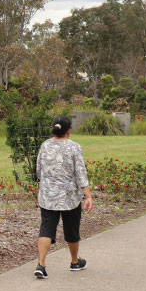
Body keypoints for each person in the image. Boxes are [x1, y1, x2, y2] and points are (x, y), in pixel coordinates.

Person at [34, 115, 94, 279]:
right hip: (69, 197)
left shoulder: (45, 145)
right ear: (69, 131)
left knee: (46, 228)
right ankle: (75, 262)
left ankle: (41, 265)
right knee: (71, 229)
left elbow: (38, 170)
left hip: (48, 196)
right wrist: (88, 195)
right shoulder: (74, 147)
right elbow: (80, 173)